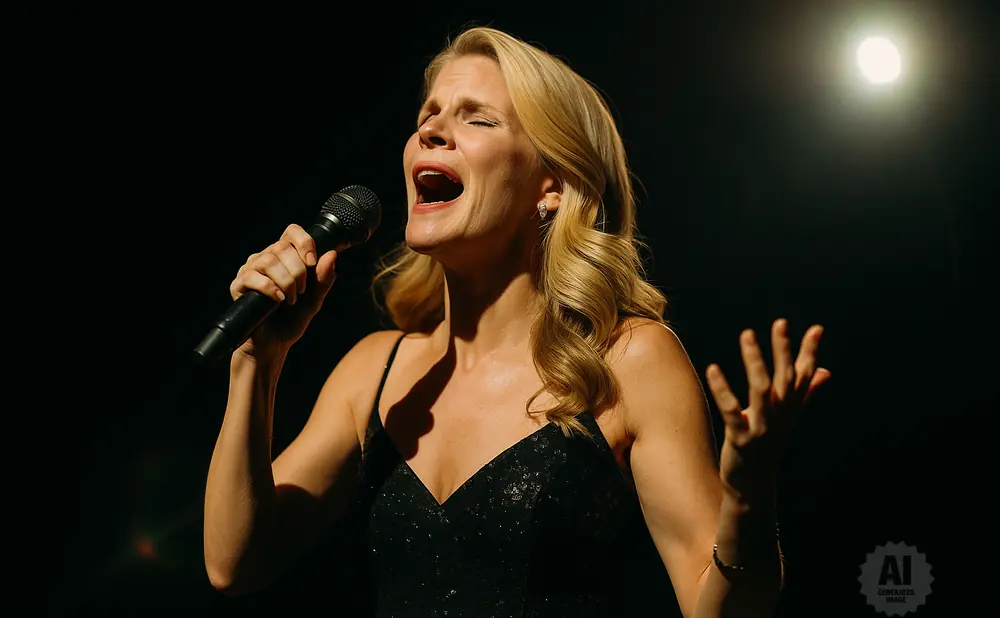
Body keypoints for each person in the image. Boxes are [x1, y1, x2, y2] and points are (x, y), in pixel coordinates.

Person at [203, 26, 830, 617]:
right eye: (428, 116)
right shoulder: (374, 371)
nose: (433, 131)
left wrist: (747, 499)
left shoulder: (626, 361)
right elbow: (235, 564)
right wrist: (258, 361)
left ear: (550, 186)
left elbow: (720, 608)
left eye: (476, 118)